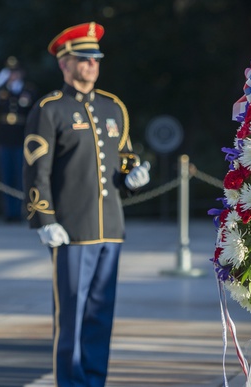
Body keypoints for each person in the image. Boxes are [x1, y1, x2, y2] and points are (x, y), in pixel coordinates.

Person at [23, 21, 152, 387]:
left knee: (100, 314)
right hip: (71, 230)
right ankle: (71, 381)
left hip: (110, 228)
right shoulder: (49, 109)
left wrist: (132, 178)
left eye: (95, 58)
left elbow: (124, 158)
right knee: (72, 316)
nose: (92, 65)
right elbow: (37, 170)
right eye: (84, 58)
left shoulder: (114, 108)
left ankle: (94, 381)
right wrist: (43, 217)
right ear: (64, 63)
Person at [0, 56, 37, 222]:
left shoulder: (28, 91)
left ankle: (19, 211)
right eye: (9, 72)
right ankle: (9, 212)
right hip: (4, 139)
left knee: (19, 176)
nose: (12, 75)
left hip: (20, 138)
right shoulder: (1, 91)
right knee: (6, 176)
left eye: (15, 72)